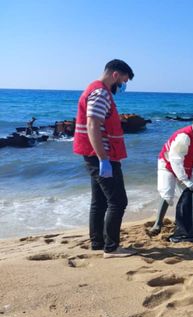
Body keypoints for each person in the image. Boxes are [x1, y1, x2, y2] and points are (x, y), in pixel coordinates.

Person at [73, 59, 136, 258]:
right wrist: (103, 159)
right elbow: (92, 124)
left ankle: (97, 243)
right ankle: (111, 248)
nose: (123, 85)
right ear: (115, 75)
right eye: (123, 81)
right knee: (118, 201)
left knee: (99, 201)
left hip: (94, 155)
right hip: (101, 155)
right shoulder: (100, 93)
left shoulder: (96, 90)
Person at [149, 115, 193, 235]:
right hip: (167, 164)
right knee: (167, 193)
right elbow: (175, 160)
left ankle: (183, 220)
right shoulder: (184, 137)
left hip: (185, 168)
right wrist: (185, 180)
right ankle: (158, 224)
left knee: (188, 194)